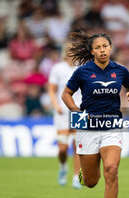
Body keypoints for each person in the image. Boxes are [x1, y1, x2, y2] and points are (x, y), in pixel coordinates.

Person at [61, 32, 129, 198]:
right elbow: (66, 94)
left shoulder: (120, 70)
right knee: (91, 182)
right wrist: (76, 111)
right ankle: (83, 175)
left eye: (105, 46)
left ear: (110, 48)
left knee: (111, 170)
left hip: (112, 127)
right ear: (92, 51)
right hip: (87, 129)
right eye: (98, 47)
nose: (102, 50)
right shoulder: (83, 72)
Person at [48, 43, 82, 189]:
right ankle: (63, 166)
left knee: (77, 146)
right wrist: (56, 106)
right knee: (63, 148)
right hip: (62, 112)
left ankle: (76, 177)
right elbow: (51, 89)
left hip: (78, 111)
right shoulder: (58, 68)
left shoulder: (82, 68)